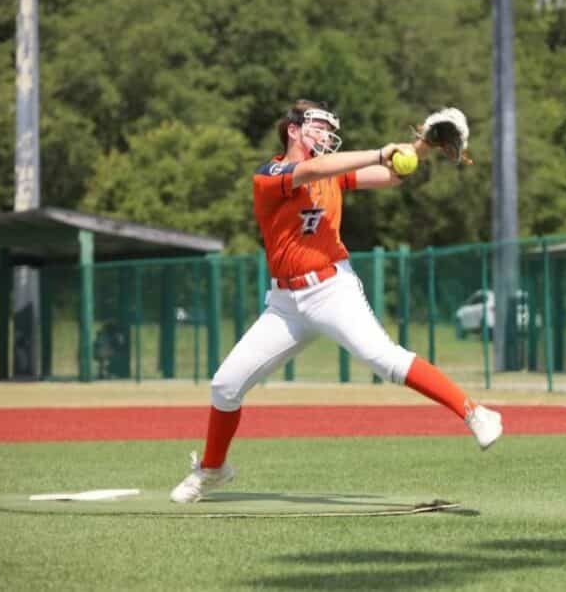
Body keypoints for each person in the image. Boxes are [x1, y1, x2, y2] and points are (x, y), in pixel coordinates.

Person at [170, 99, 502, 503]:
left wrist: (422, 148)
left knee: (384, 358)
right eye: (319, 126)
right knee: (225, 386)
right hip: (285, 304)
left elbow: (390, 175)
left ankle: (475, 412)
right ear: (293, 130)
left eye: (329, 128)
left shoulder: (332, 172)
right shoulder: (270, 174)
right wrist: (381, 151)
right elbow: (314, 170)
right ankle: (213, 469)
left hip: (331, 289)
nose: (327, 134)